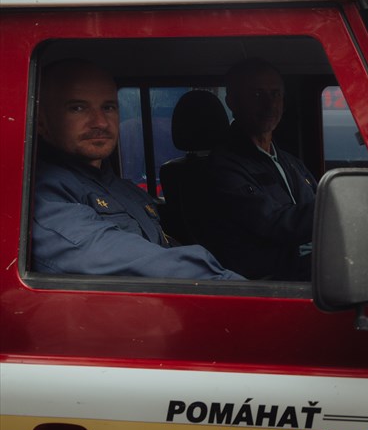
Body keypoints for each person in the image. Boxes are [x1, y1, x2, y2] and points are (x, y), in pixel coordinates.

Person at [31, 59, 241, 279]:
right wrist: (234, 286)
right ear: (42, 122)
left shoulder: (125, 190)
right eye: (78, 108)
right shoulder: (44, 195)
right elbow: (111, 255)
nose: (100, 122)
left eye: (108, 107)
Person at [206, 59, 318, 280]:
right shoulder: (223, 167)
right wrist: (340, 208)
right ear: (233, 102)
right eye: (257, 95)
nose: (269, 104)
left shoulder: (290, 162)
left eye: (275, 94)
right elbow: (274, 224)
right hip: (271, 282)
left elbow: (317, 200)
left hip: (311, 266)